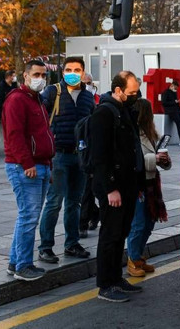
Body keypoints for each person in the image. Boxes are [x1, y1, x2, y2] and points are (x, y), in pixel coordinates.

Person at [90, 71, 145, 302]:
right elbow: (99, 156)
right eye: (131, 92)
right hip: (113, 188)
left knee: (121, 232)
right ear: (118, 90)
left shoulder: (125, 110)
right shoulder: (104, 113)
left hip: (128, 184)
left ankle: (116, 278)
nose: (135, 96)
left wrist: (138, 183)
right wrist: (110, 188)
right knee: (110, 235)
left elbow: (132, 148)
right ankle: (105, 284)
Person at [37, 57, 95, 264]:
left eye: (77, 69)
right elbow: (39, 119)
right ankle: (45, 247)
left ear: (83, 72)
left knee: (74, 202)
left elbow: (92, 126)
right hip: (58, 156)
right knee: (54, 202)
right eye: (69, 69)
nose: (73, 72)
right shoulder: (53, 92)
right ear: (62, 72)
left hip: (79, 157)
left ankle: (72, 243)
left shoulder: (88, 97)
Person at [2, 60, 55, 281]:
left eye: (43, 75)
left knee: (28, 216)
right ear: (25, 76)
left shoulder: (37, 101)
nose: (40, 79)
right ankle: (23, 265)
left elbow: (43, 133)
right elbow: (14, 136)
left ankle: (15, 262)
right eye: (36, 74)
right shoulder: (17, 100)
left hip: (41, 165)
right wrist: (27, 164)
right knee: (28, 217)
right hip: (25, 167)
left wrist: (47, 165)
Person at [126, 98, 170, 277]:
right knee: (138, 223)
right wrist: (155, 159)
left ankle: (138, 256)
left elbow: (160, 160)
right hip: (137, 183)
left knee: (150, 222)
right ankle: (133, 259)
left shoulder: (151, 133)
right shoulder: (131, 133)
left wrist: (165, 161)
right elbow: (131, 160)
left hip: (151, 182)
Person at [79, 73, 100, 237]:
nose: (87, 85)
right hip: (77, 149)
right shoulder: (76, 100)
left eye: (89, 82)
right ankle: (94, 213)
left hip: (91, 151)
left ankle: (83, 224)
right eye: (84, 83)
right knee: (80, 192)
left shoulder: (98, 100)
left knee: (87, 191)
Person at [161, 80, 180, 145]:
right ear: (172, 86)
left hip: (176, 110)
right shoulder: (165, 92)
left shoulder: (174, 93)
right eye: (175, 88)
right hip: (171, 111)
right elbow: (164, 102)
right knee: (179, 124)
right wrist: (175, 102)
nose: (176, 89)